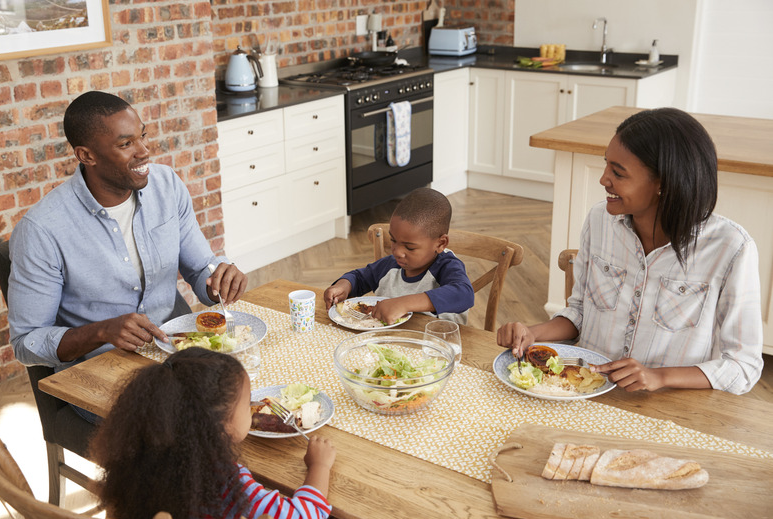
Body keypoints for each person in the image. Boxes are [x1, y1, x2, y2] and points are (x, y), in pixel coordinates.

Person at [8, 91, 248, 412]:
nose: (144, 152)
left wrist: (219, 277)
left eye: (143, 137)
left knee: (246, 388)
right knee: (195, 416)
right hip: (100, 372)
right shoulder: (42, 230)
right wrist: (102, 331)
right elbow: (27, 343)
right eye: (126, 144)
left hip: (174, 353)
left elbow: (200, 269)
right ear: (86, 155)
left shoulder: (166, 185)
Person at [497, 108, 762, 395]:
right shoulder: (600, 220)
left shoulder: (731, 248)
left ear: (663, 183)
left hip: (667, 407)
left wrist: (659, 377)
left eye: (618, 173)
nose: (603, 179)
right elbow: (580, 312)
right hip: (584, 391)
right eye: (606, 165)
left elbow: (743, 366)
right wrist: (533, 333)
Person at [89, 347, 336, 519]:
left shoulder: (138, 455)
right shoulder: (226, 481)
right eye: (247, 402)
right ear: (219, 427)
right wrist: (319, 467)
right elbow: (304, 515)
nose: (253, 407)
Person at [323, 187, 474, 325]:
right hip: (389, 342)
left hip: (438, 346)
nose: (397, 252)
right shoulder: (391, 265)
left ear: (441, 244)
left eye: (409, 247)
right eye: (393, 240)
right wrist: (343, 286)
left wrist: (403, 303)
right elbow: (360, 278)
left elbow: (464, 294)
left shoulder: (446, 266)